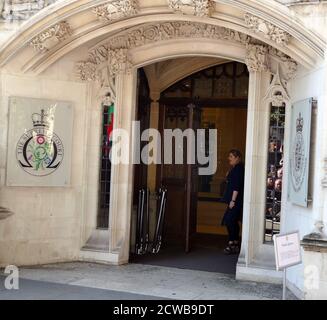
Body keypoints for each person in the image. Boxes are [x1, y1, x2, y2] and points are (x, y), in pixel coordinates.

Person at [221, 149, 245, 255]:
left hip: (236, 201)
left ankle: (232, 243)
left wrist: (233, 200)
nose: (229, 158)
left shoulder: (238, 169)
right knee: (232, 221)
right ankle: (234, 243)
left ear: (237, 158)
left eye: (231, 156)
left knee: (229, 220)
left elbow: (236, 186)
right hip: (235, 200)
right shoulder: (235, 168)